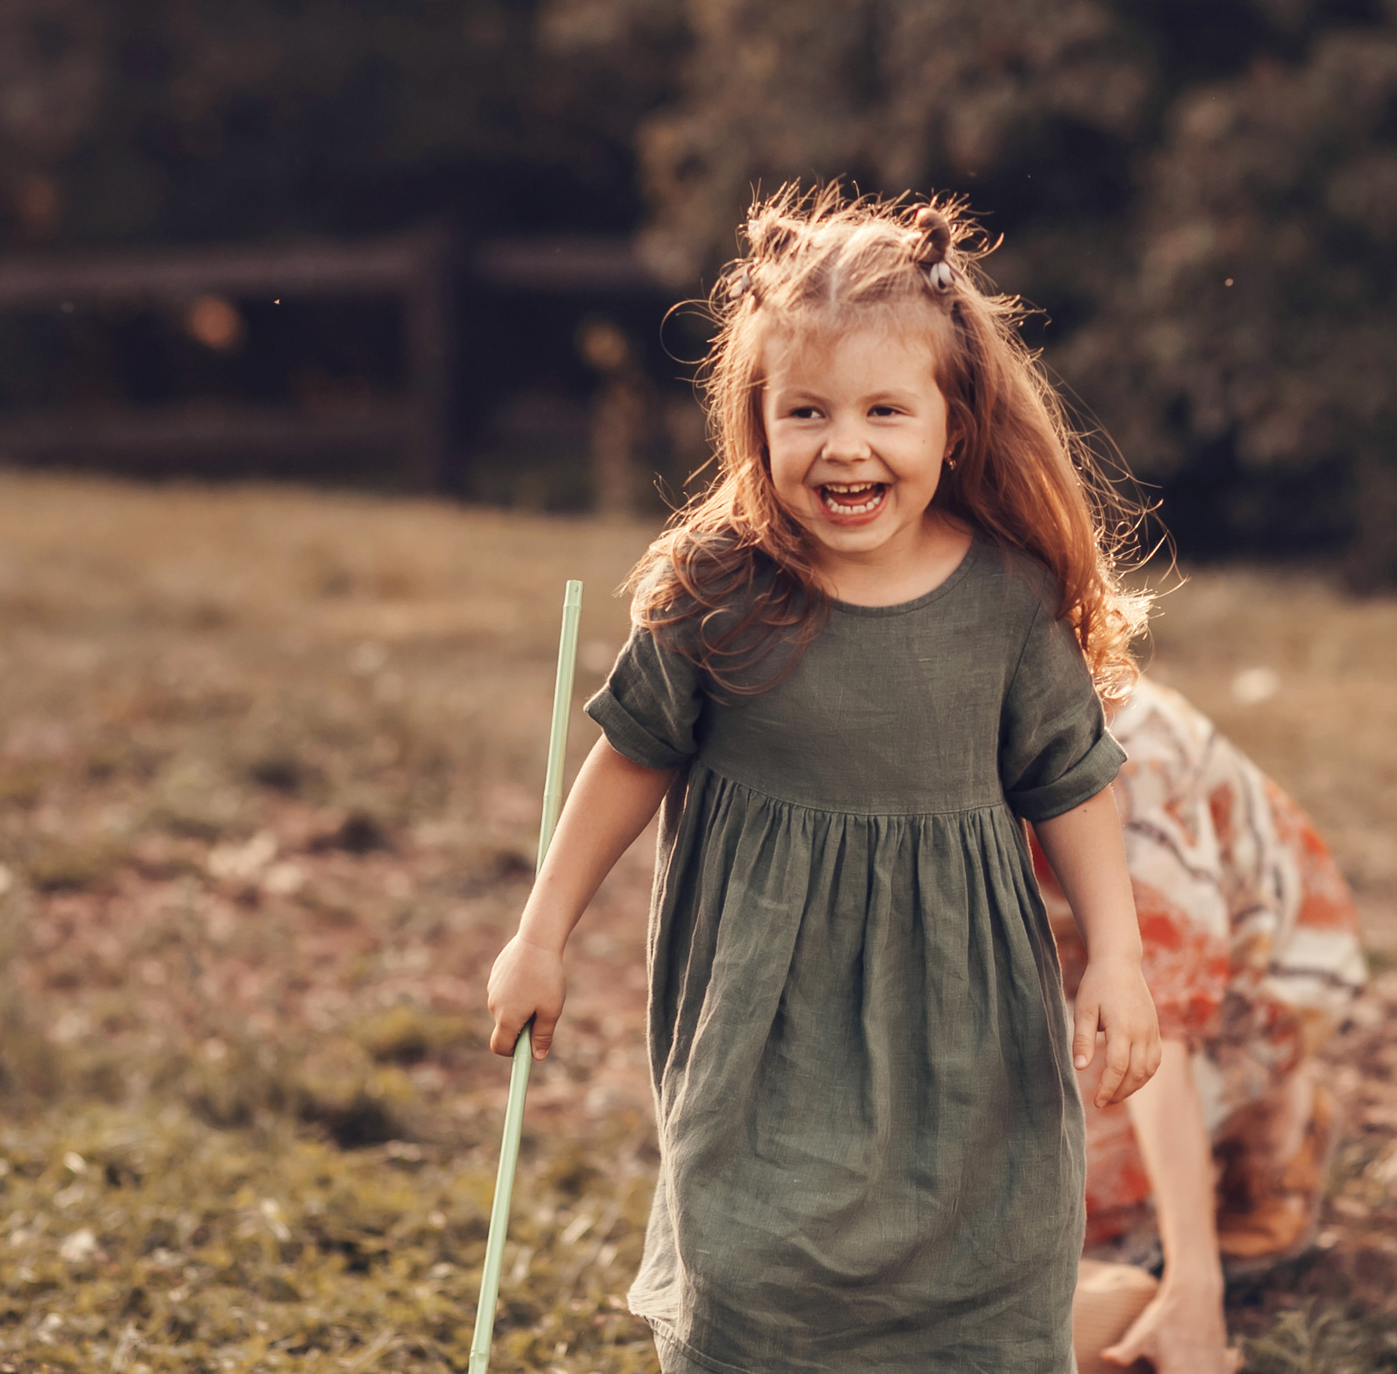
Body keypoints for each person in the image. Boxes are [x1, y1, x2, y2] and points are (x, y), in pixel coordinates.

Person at [485, 186, 1164, 1374]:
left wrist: (1116, 954)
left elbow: (1069, 780)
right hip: (764, 1023)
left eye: (885, 411)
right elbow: (629, 757)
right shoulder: (721, 588)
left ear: (953, 428)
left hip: (966, 1031)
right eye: (804, 411)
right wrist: (540, 936)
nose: (844, 444)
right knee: (751, 1271)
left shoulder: (1004, 600)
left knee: (980, 1278)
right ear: (753, 423)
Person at [1047, 678, 1368, 1374]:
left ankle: (1278, 1122)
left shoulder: (1131, 771)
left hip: (1247, 977)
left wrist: (1196, 1284)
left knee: (1060, 1177)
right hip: (1065, 953)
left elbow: (1158, 1038)